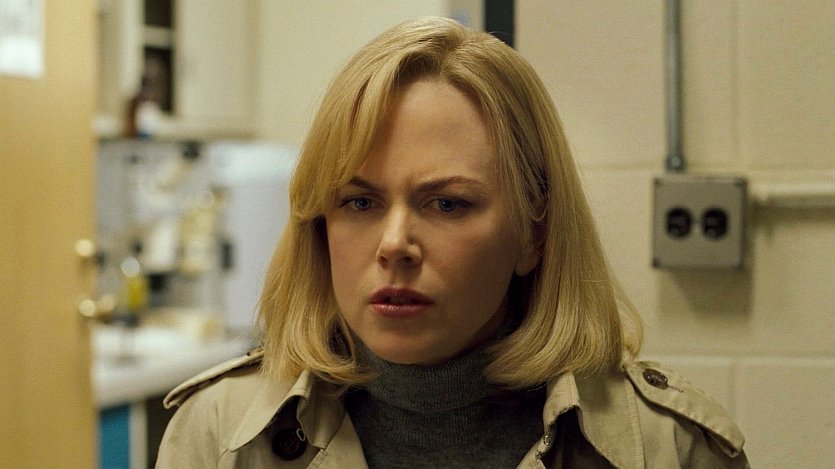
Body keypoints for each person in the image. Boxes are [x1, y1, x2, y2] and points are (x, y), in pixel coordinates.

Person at [157, 17, 749, 468]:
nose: (395, 245)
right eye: (359, 202)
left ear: (534, 233)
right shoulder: (220, 434)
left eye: (447, 204)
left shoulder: (667, 448)